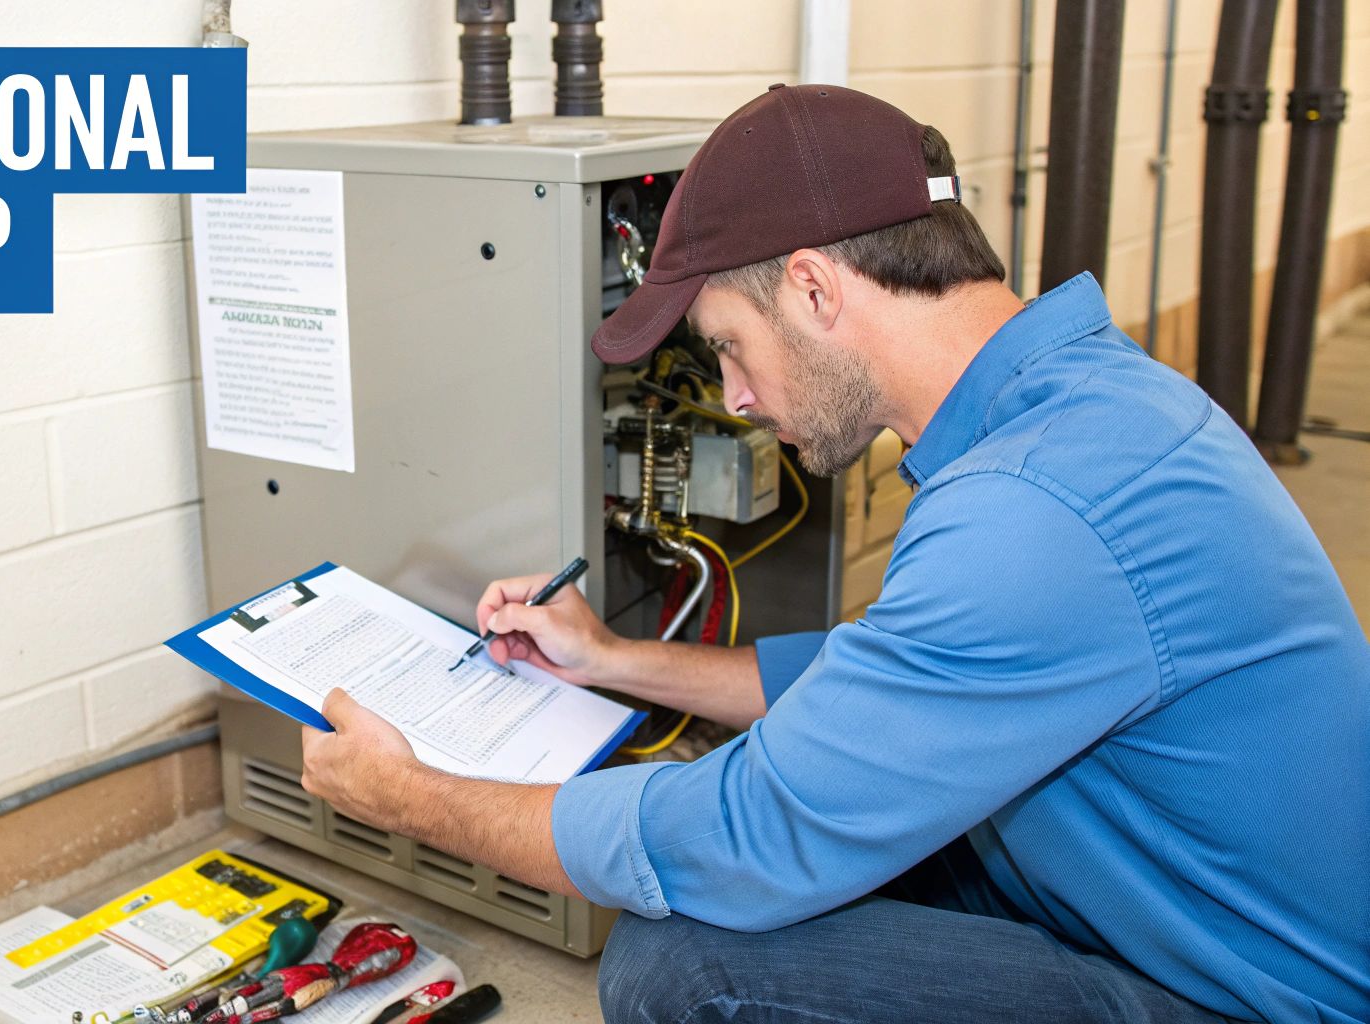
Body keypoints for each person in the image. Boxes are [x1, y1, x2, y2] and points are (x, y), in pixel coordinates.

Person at [298, 85, 1369, 1024]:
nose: (734, 396)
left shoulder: (1029, 508)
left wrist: (415, 798)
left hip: (1242, 992)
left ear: (812, 289)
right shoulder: (1072, 402)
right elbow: (878, 680)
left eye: (725, 342)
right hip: (1145, 888)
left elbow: (754, 834)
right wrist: (609, 657)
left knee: (686, 957)